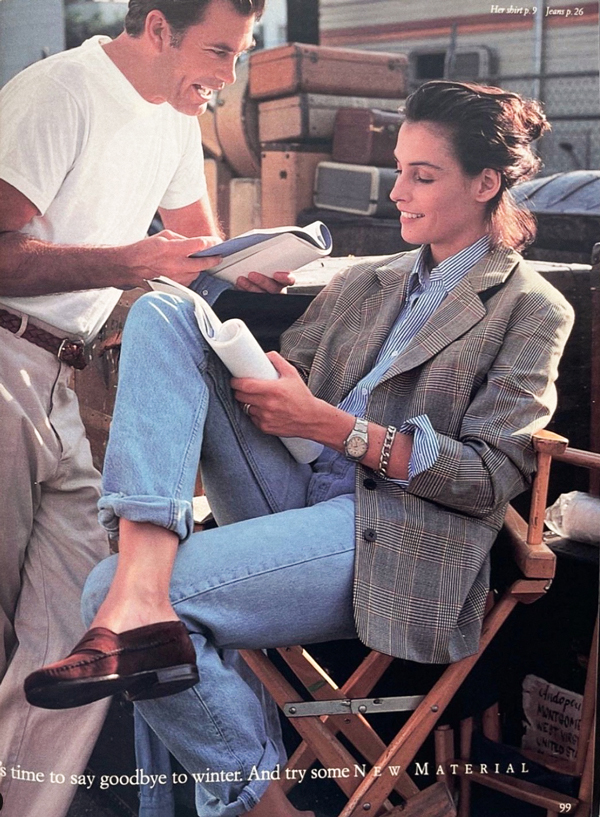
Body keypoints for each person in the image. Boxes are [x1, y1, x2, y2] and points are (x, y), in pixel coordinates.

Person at [26, 81, 574, 817]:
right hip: (292, 488)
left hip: (399, 533)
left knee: (111, 600)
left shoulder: (530, 306)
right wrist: (268, 376)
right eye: (399, 168)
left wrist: (331, 426)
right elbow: (294, 384)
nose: (399, 191)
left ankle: (260, 801)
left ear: (485, 184)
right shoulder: (365, 280)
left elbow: (486, 475)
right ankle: (143, 591)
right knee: (165, 307)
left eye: (423, 174)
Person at [0, 1, 294, 815]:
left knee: (79, 625)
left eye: (241, 56)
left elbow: (199, 246)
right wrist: (132, 257)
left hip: (71, 373)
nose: (228, 78)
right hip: (4, 358)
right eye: (217, 52)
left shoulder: (172, 118)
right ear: (158, 28)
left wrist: (251, 262)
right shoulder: (60, 92)